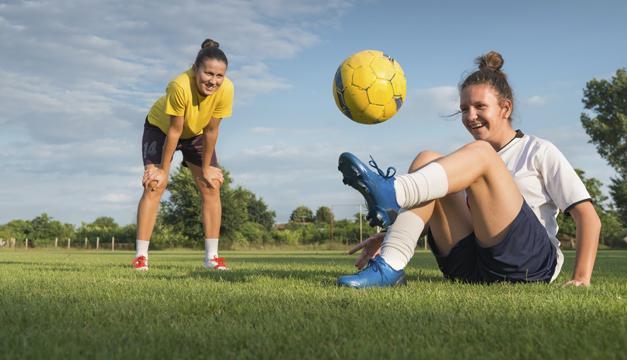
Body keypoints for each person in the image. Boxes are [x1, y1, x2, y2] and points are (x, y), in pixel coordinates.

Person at [336, 51, 601, 288]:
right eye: (464, 109)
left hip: (526, 265)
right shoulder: (468, 160)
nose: (470, 116)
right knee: (428, 159)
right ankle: (390, 265)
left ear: (505, 108)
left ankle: (395, 191)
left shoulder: (538, 150)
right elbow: (434, 220)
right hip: (471, 265)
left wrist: (581, 278)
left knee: (482, 154)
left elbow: (587, 216)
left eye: (480, 107)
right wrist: (388, 236)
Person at [131, 39, 234, 271]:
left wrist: (207, 168)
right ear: (195, 69)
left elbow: (211, 130)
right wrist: (162, 171)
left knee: (212, 184)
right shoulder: (179, 85)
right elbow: (175, 131)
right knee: (155, 184)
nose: (214, 81)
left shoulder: (226, 88)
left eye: (219, 75)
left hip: (196, 132)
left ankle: (212, 258)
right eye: (208, 74)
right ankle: (141, 257)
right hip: (161, 129)